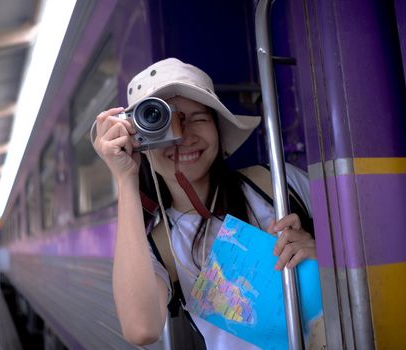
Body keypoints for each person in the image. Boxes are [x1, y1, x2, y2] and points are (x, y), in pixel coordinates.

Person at [93, 58, 321, 349]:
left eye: (199, 118)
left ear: (218, 128)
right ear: (141, 144)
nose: (184, 136)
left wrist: (324, 251)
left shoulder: (278, 183)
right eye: (164, 124)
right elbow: (141, 329)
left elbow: (373, 239)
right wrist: (125, 179)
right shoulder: (162, 247)